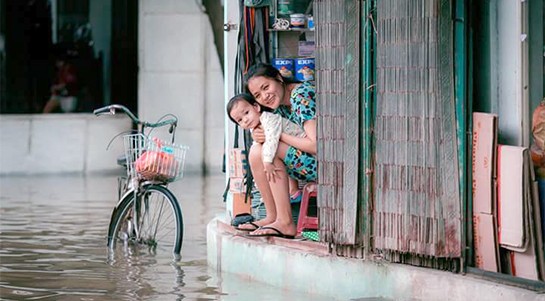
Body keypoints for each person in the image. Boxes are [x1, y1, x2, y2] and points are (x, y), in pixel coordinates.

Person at [238, 62, 317, 238]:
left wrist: (276, 136)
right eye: (257, 95)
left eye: (266, 87)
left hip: (325, 163)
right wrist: (263, 135)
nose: (265, 96)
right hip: (308, 162)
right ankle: (272, 216)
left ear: (279, 78)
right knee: (256, 151)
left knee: (269, 150)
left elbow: (316, 145)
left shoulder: (299, 95)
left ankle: (286, 222)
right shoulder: (279, 105)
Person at [226, 93, 308, 183]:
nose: (245, 120)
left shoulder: (269, 119)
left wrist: (267, 162)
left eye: (246, 113)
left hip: (307, 152)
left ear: (256, 107)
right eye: (240, 120)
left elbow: (271, 140)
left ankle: (289, 193)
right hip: (295, 156)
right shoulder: (256, 127)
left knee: (270, 154)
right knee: (257, 151)